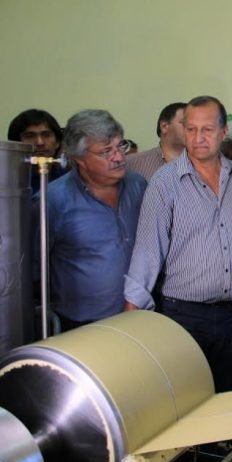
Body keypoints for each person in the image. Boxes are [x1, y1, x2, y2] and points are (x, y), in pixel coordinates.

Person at [124, 96, 232, 392]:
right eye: (191, 129)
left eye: (207, 130)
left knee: (228, 398)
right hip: (184, 315)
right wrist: (132, 308)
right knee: (186, 396)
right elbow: (148, 248)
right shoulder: (165, 182)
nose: (198, 138)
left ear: (223, 132)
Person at [36, 109, 146, 331]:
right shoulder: (52, 201)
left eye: (120, 146)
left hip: (140, 315)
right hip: (82, 324)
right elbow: (33, 269)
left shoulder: (138, 185)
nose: (118, 157)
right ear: (79, 158)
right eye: (106, 151)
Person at [7, 109, 69, 193]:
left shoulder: (69, 177)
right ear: (17, 144)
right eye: (30, 136)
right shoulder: (8, 180)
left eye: (46, 135)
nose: (40, 143)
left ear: (58, 142)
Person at [126, 102, 186, 180]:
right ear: (164, 126)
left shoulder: (200, 163)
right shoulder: (132, 163)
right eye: (185, 122)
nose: (192, 128)